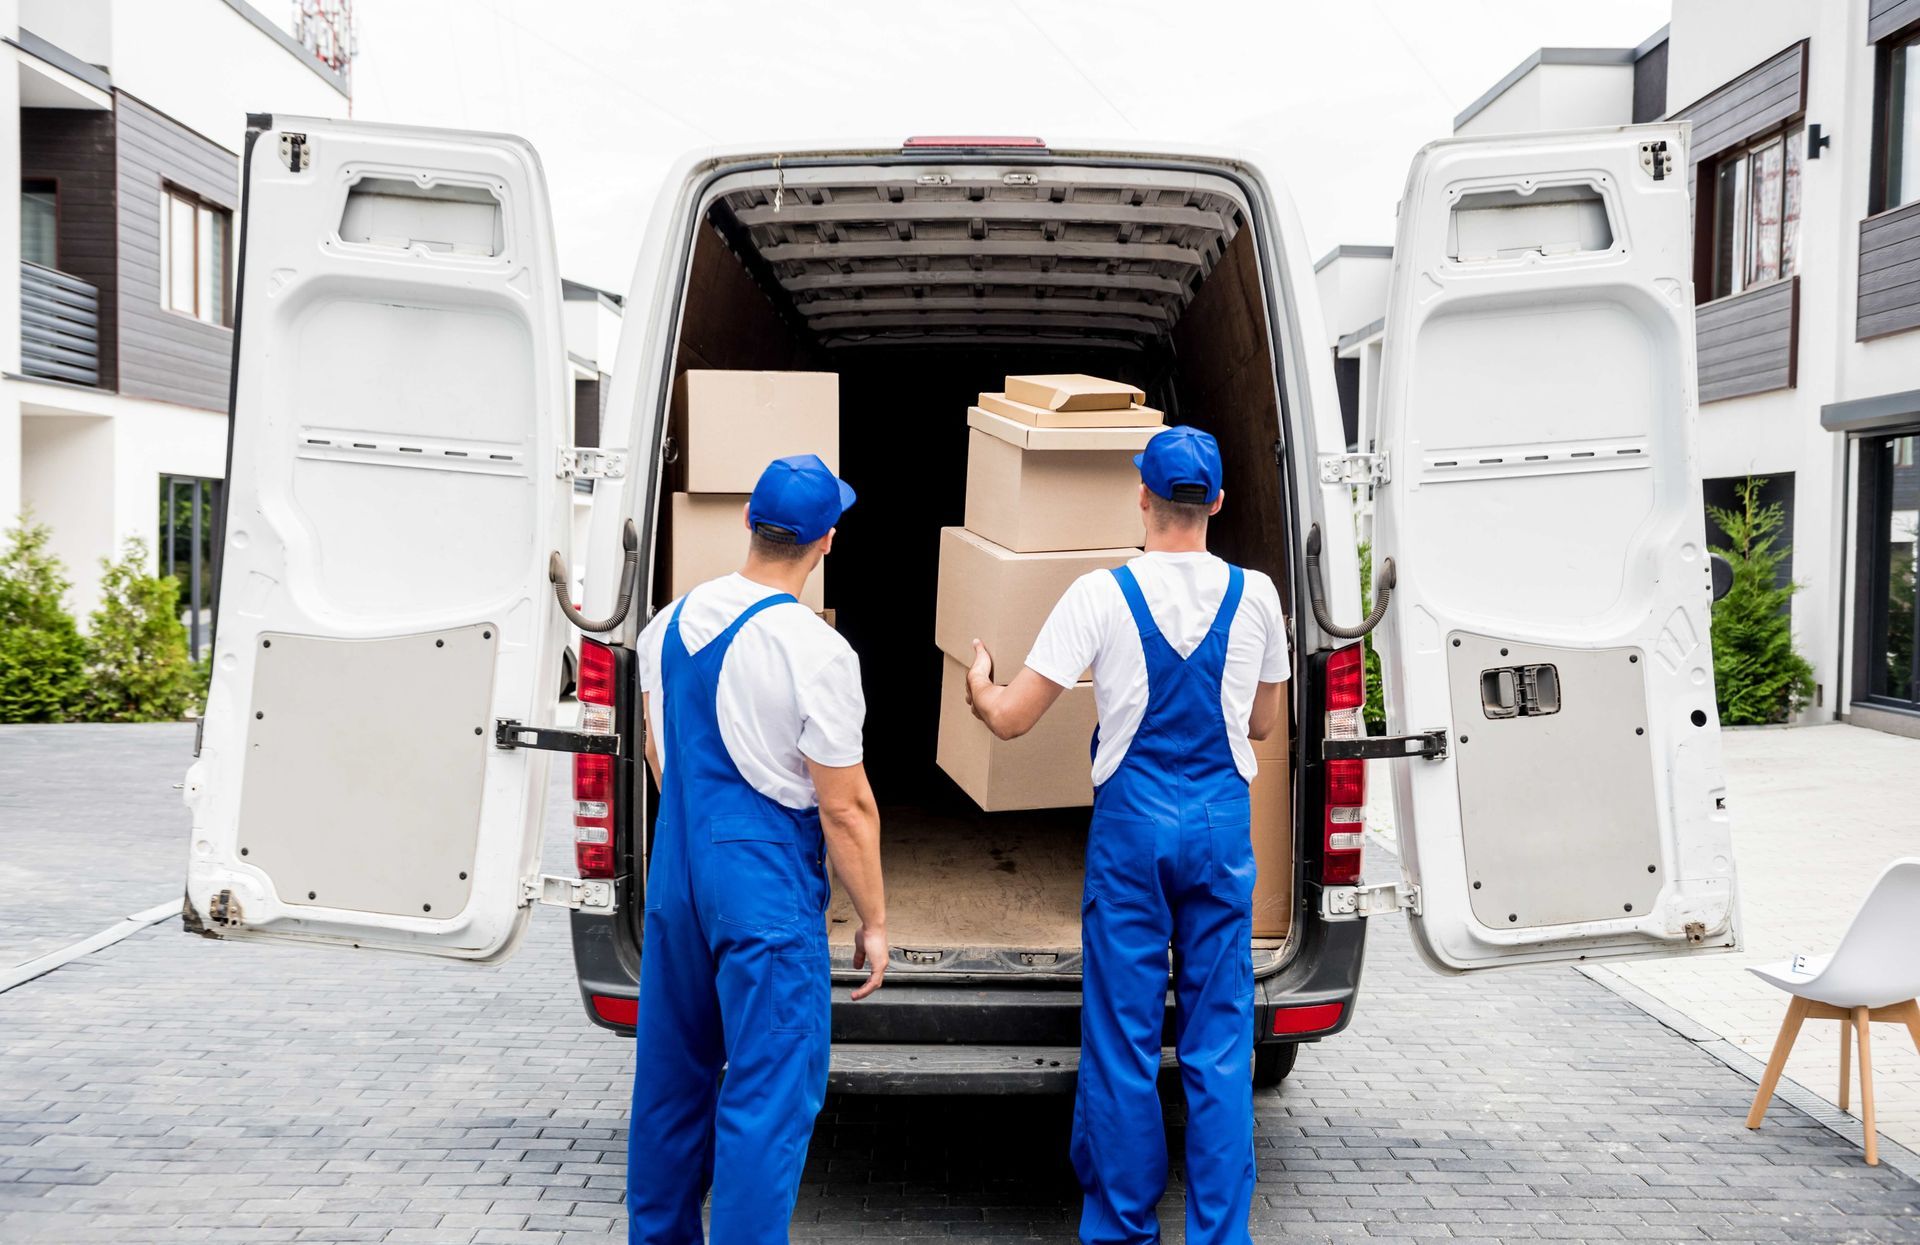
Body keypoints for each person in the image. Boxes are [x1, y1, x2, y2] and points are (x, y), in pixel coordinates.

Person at [966, 425, 1288, 1245]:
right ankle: (1221, 1235)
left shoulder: (1098, 595)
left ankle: (1122, 1228)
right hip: (1219, 827)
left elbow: (1009, 719)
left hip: (1133, 829)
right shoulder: (1257, 595)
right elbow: (1261, 723)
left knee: (1125, 1040)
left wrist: (976, 686)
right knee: (1220, 1046)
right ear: (1217, 501)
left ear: (1140, 494)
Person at [627, 453, 888, 1245]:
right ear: (827, 542)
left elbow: (658, 748)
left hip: (680, 880)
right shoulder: (816, 650)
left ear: (748, 520)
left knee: (671, 1089)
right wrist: (872, 920)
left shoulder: (665, 624)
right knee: (767, 1101)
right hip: (763, 888)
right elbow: (846, 807)